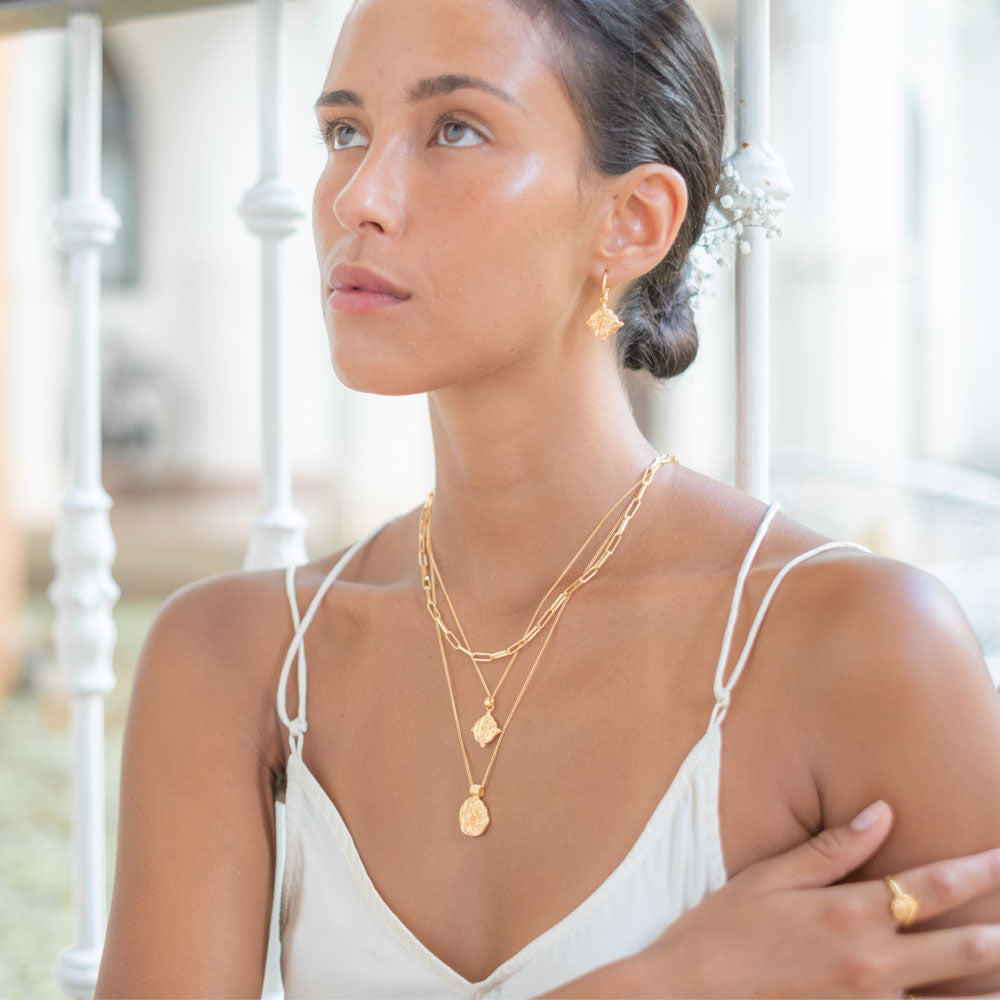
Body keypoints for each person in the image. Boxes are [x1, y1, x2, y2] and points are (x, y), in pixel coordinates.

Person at [94, 0, 1000, 997]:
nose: (360, 195)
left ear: (631, 221)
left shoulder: (863, 648)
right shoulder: (235, 661)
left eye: (456, 130)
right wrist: (668, 983)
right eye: (344, 130)